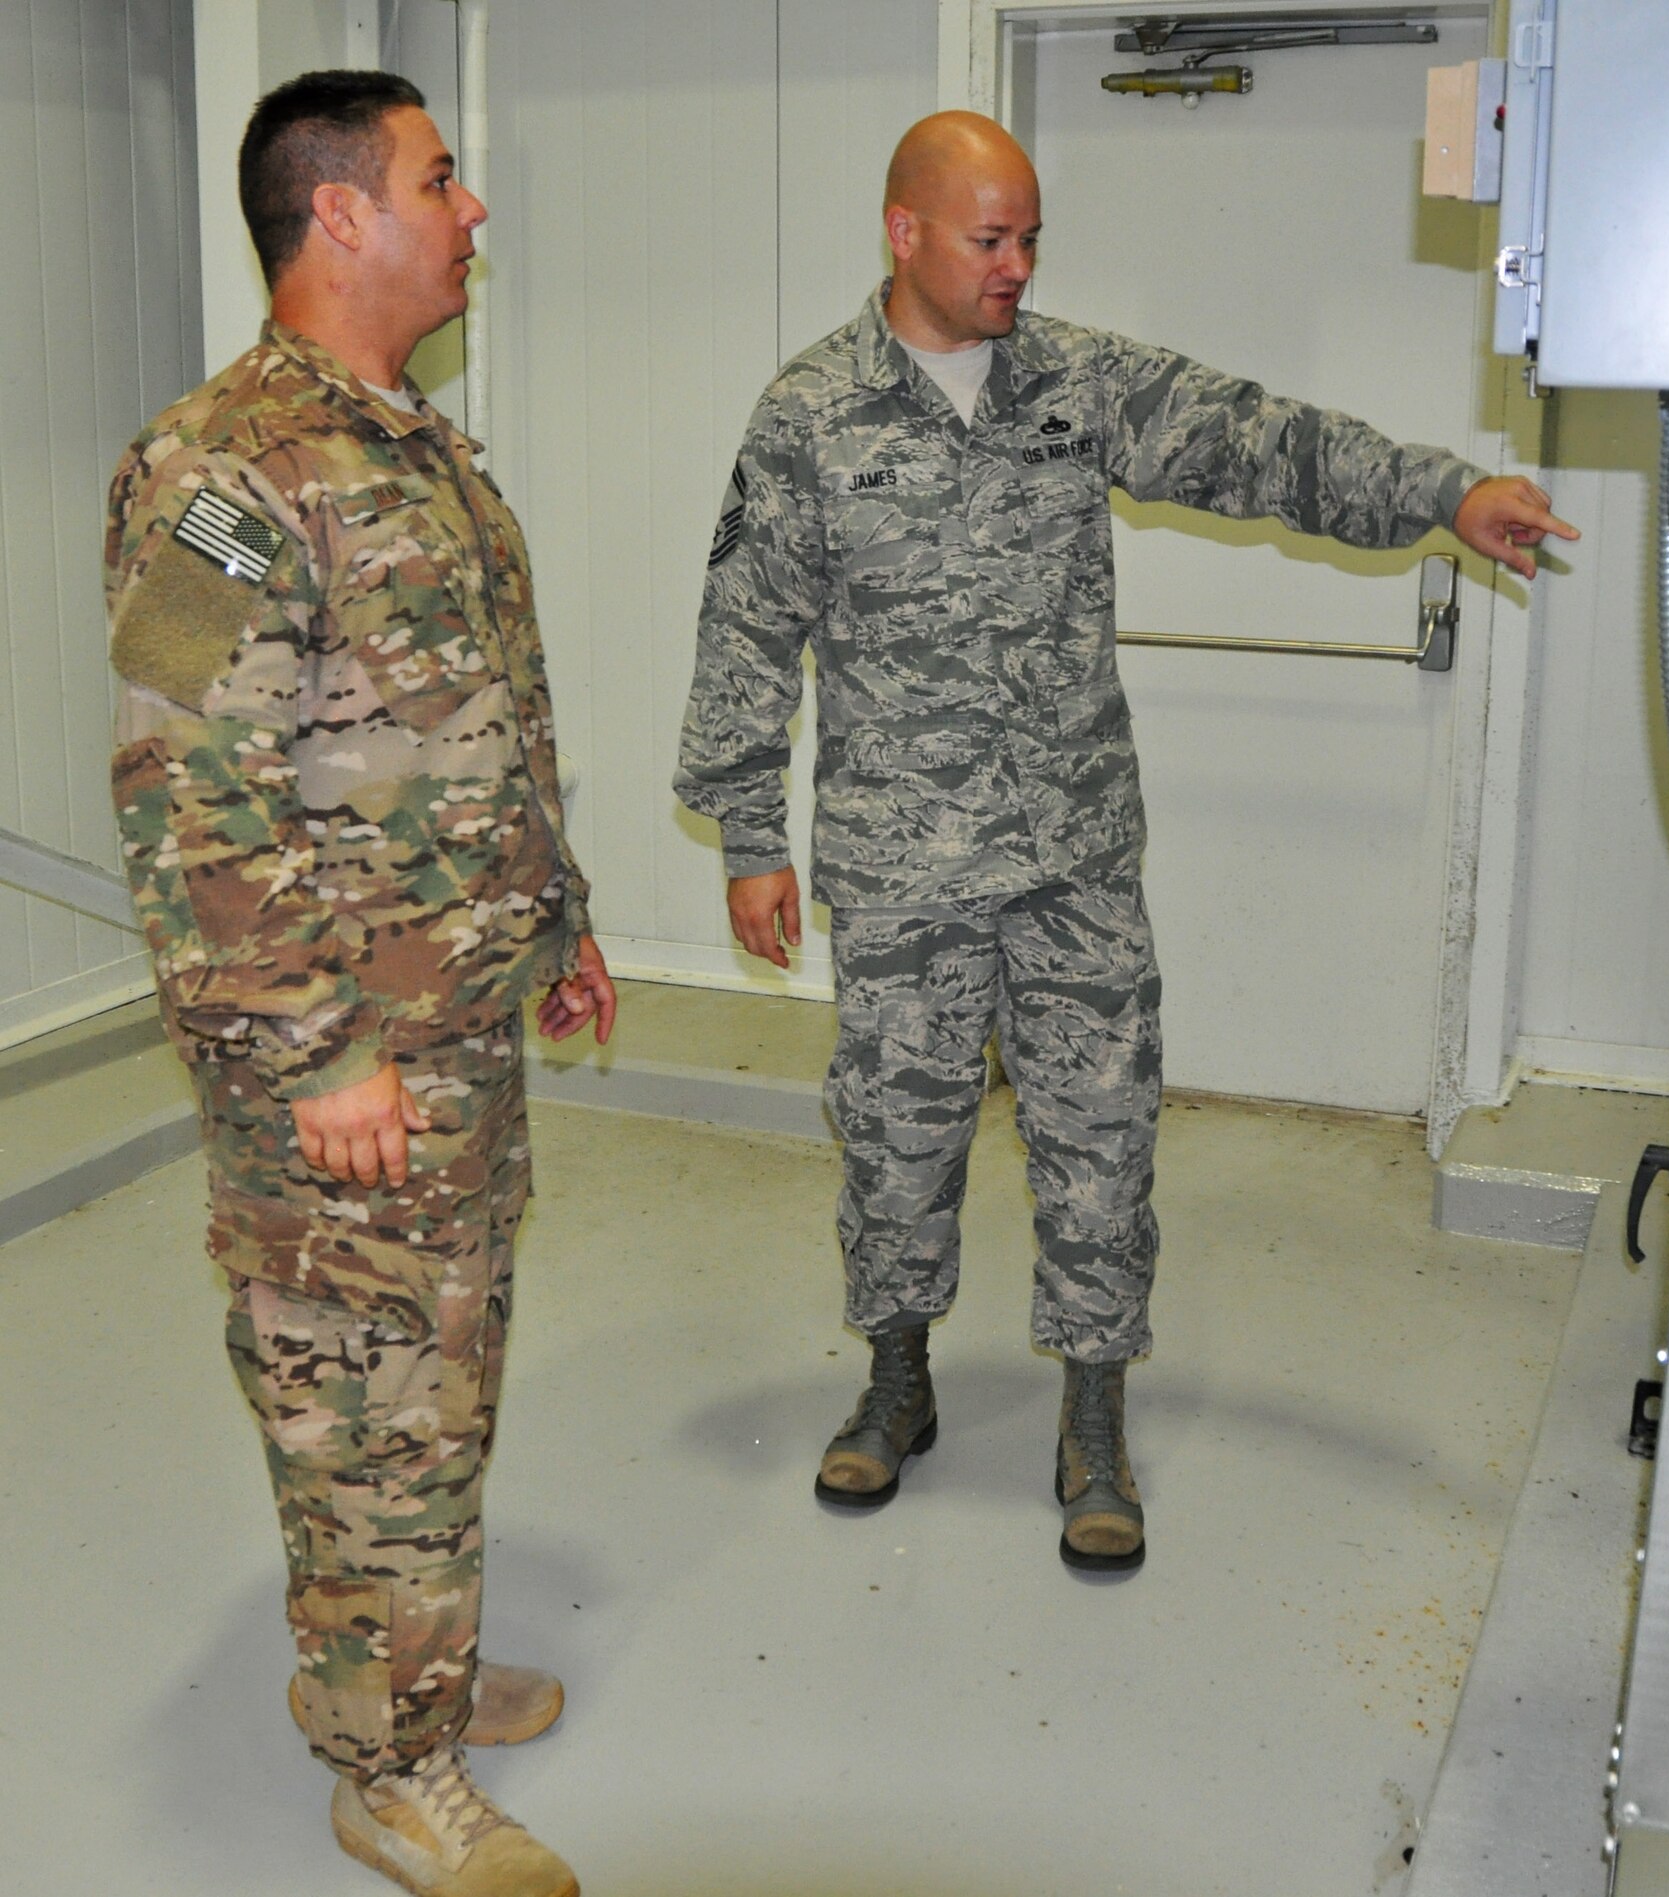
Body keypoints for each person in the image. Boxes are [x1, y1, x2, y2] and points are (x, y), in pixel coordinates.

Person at [675, 111, 1577, 1575]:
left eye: (1033, 237)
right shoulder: (810, 415)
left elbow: (1259, 443)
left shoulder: (1076, 383)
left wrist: (1441, 494)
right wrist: (748, 832)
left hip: (1074, 853)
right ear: (905, 232)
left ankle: (1093, 1416)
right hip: (900, 866)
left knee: (1100, 1138)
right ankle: (897, 1377)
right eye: (991, 239)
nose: (1019, 266)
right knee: (896, 1137)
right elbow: (748, 624)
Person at [105, 69, 613, 1897]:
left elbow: (473, 729)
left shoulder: (415, 440)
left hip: (451, 1024)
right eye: (440, 176)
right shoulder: (223, 475)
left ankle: (425, 1669)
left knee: (442, 1368)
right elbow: (186, 776)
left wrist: (553, 919)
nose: (472, 209)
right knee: (363, 1384)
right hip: (335, 1053)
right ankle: (386, 1766)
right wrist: (319, 1049)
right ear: (339, 217)